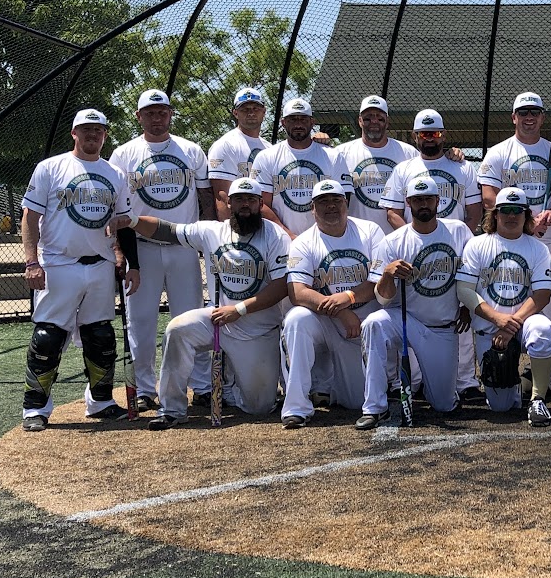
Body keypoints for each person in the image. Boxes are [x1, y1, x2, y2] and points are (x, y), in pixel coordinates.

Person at [119, 177, 290, 430]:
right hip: (219, 320)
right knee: (177, 329)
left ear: (260, 204)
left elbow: (281, 286)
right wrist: (131, 221)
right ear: (229, 203)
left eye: (251, 200)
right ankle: (172, 409)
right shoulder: (212, 231)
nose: (245, 205)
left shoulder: (275, 236)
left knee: (258, 408)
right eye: (239, 199)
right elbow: (167, 231)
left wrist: (239, 309)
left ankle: (231, 377)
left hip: (258, 329)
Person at [20, 109, 138, 431]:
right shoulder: (50, 168)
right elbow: (30, 217)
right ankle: (35, 408)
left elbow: (122, 220)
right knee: (48, 338)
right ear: (74, 133)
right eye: (86, 129)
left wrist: (121, 254)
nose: (92, 135)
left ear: (105, 135)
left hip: (100, 266)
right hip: (59, 263)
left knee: (100, 336)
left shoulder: (115, 173)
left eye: (98, 130)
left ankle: (100, 401)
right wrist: (31, 262)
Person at [110, 88, 213, 412]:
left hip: (184, 246)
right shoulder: (123, 154)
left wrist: (209, 239)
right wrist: (120, 251)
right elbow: (117, 209)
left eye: (162, 112)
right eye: (150, 113)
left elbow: (206, 199)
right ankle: (145, 389)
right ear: (138, 116)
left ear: (170, 114)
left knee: (192, 318)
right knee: (140, 322)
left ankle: (201, 385)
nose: (157, 118)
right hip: (141, 248)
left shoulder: (191, 150)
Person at [358, 176, 473, 428]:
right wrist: (387, 274)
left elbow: (472, 276)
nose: (423, 204)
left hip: (442, 327)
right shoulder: (392, 242)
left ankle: (437, 390)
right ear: (408, 203)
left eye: (428, 199)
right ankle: (374, 407)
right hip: (404, 320)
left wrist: (467, 307)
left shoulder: (459, 231)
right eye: (417, 200)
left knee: (443, 404)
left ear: (438, 201)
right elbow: (382, 298)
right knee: (373, 323)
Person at [383, 109, 483, 399]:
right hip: (415, 252)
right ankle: (415, 381)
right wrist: (420, 239)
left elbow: (474, 211)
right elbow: (392, 212)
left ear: (444, 135)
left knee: (460, 310)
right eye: (424, 134)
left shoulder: (462, 166)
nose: (430, 138)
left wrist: (456, 242)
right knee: (417, 314)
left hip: (455, 249)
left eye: (435, 133)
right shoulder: (404, 169)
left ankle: (466, 382)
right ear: (415, 136)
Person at [479, 91, 551, 395]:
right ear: (514, 117)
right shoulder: (498, 153)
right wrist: (527, 222)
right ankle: (500, 366)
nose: (528, 118)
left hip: (548, 238)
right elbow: (489, 198)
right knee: (508, 297)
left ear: (542, 118)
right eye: (523, 113)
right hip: (508, 237)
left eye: (534, 113)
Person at [281, 180, 385, 429]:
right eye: (323, 202)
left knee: (354, 401)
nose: (331, 206)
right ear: (312, 209)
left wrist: (348, 298)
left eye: (336, 200)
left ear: (346, 203)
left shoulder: (370, 231)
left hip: (360, 327)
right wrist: (341, 311)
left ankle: (331, 386)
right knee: (296, 319)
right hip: (325, 322)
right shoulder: (303, 242)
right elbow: (297, 292)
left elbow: (379, 283)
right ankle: (296, 408)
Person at [456, 187, 551, 425]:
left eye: (517, 210)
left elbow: (543, 295)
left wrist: (510, 325)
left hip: (524, 324)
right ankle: (521, 382)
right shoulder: (477, 244)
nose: (511, 216)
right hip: (490, 328)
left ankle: (538, 400)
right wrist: (497, 319)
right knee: (501, 407)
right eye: (506, 210)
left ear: (526, 215)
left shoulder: (538, 248)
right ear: (495, 214)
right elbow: (464, 290)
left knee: (542, 330)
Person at [251, 97, 344, 239]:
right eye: (293, 119)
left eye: (303, 119)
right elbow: (262, 204)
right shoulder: (266, 157)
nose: (298, 124)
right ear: (283, 122)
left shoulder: (332, 156)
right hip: (280, 239)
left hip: (325, 240)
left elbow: (341, 202)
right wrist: (288, 236)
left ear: (312, 122)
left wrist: (323, 237)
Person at [337, 94, 419, 234]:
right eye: (368, 117)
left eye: (379, 117)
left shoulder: (408, 153)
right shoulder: (341, 154)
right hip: (358, 237)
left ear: (387, 122)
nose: (374, 121)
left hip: (397, 236)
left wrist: (452, 155)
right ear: (360, 121)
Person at [207, 87, 271, 221]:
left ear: (264, 112)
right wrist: (229, 229)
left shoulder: (268, 147)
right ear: (235, 113)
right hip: (240, 223)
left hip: (263, 223)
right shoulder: (225, 145)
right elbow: (222, 196)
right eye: (245, 109)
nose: (251, 113)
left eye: (256, 108)